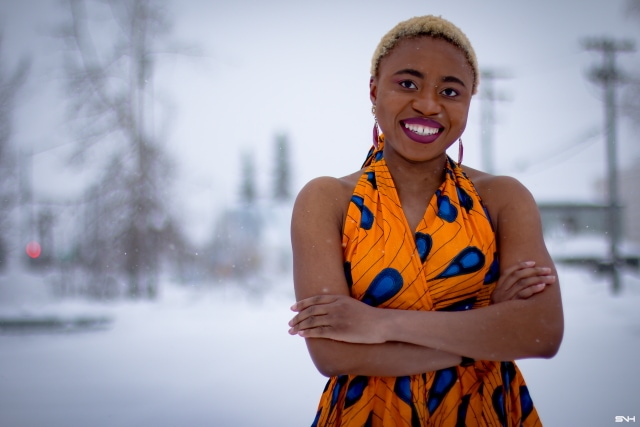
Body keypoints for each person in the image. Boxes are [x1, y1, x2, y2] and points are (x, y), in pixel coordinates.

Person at [288, 15, 563, 427]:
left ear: (469, 102)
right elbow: (333, 355)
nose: (429, 105)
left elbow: (541, 334)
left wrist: (378, 323)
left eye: (450, 91)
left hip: (486, 412)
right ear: (373, 90)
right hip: (366, 415)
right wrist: (490, 330)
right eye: (408, 84)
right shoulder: (326, 200)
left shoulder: (503, 198)